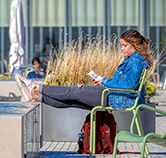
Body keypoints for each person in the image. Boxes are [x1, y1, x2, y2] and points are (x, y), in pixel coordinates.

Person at [15, 29, 152, 110]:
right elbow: (125, 83)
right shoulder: (132, 59)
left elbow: (127, 85)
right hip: (115, 96)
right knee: (73, 100)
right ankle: (35, 96)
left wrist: (104, 81)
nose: (122, 49)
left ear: (134, 44)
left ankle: (35, 86)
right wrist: (102, 81)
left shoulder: (136, 61)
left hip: (116, 98)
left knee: (76, 90)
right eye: (121, 45)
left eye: (125, 46)